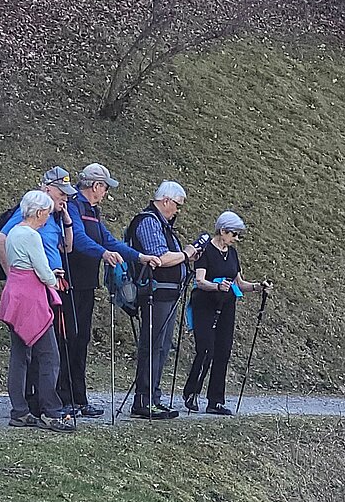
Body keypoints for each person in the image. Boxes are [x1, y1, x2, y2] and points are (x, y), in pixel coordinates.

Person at [60, 162, 161, 417]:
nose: (106, 193)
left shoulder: (94, 211)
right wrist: (104, 254)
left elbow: (109, 239)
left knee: (81, 339)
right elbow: (80, 239)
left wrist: (139, 257)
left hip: (86, 285)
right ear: (95, 186)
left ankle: (78, 398)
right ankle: (64, 396)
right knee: (69, 338)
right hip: (68, 284)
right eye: (105, 187)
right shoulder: (73, 207)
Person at [183, 210, 273, 416]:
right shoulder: (205, 250)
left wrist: (259, 286)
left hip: (227, 305)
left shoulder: (232, 253)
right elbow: (200, 281)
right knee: (206, 349)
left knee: (223, 351)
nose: (236, 239)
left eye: (238, 235)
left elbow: (240, 283)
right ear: (222, 231)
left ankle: (215, 400)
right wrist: (216, 287)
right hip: (205, 304)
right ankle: (191, 393)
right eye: (234, 234)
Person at [0, 191, 74, 433]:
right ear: (40, 212)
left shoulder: (13, 233)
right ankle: (51, 413)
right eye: (47, 214)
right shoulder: (31, 236)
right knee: (50, 356)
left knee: (19, 357)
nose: (47, 219)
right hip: (31, 301)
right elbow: (43, 271)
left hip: (14, 295)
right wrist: (54, 278)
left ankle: (19, 411)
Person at [126, 180, 198, 420]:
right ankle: (144, 400)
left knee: (162, 347)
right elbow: (160, 257)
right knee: (153, 345)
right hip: (154, 295)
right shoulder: (148, 221)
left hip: (168, 295)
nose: (177, 210)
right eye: (177, 205)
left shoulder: (164, 225)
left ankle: (153, 397)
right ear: (165, 200)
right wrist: (186, 254)